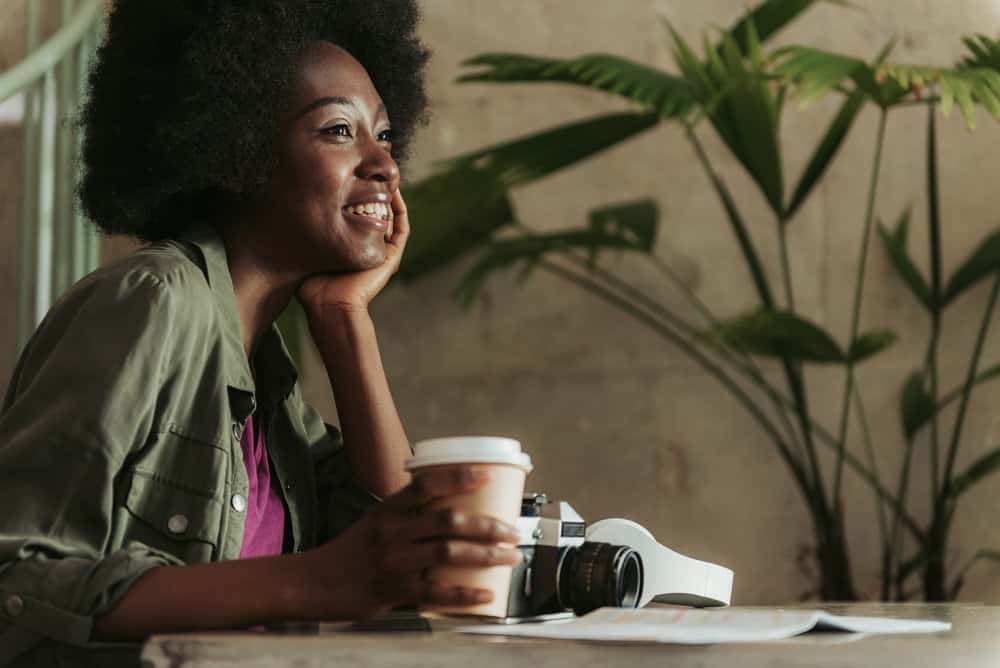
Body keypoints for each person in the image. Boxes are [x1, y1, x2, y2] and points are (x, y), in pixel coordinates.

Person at [0, 1, 521, 664]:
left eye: (384, 136)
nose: (384, 167)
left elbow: (403, 558)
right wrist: (312, 581)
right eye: (338, 130)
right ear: (234, 148)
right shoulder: (152, 304)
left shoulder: (265, 379)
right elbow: (14, 576)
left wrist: (344, 321)